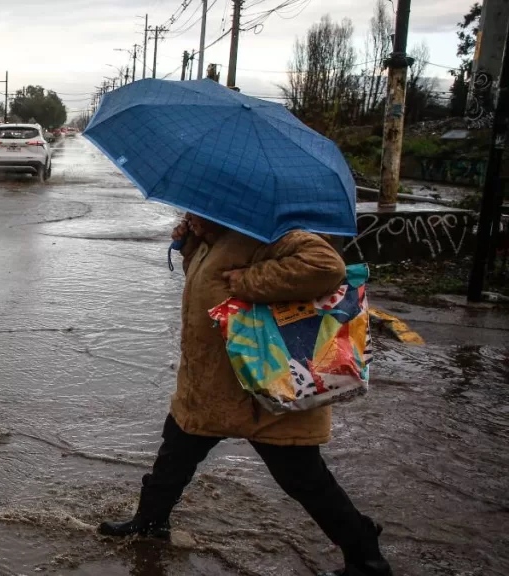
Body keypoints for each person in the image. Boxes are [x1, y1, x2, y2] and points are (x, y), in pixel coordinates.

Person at [98, 214, 392, 576]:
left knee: (302, 479)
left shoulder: (270, 231)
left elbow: (325, 266)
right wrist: (191, 245)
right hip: (211, 383)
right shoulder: (217, 237)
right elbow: (211, 287)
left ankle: (364, 553)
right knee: (174, 456)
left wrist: (249, 281)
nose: (189, 216)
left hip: (266, 386)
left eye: (195, 212)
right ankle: (150, 523)